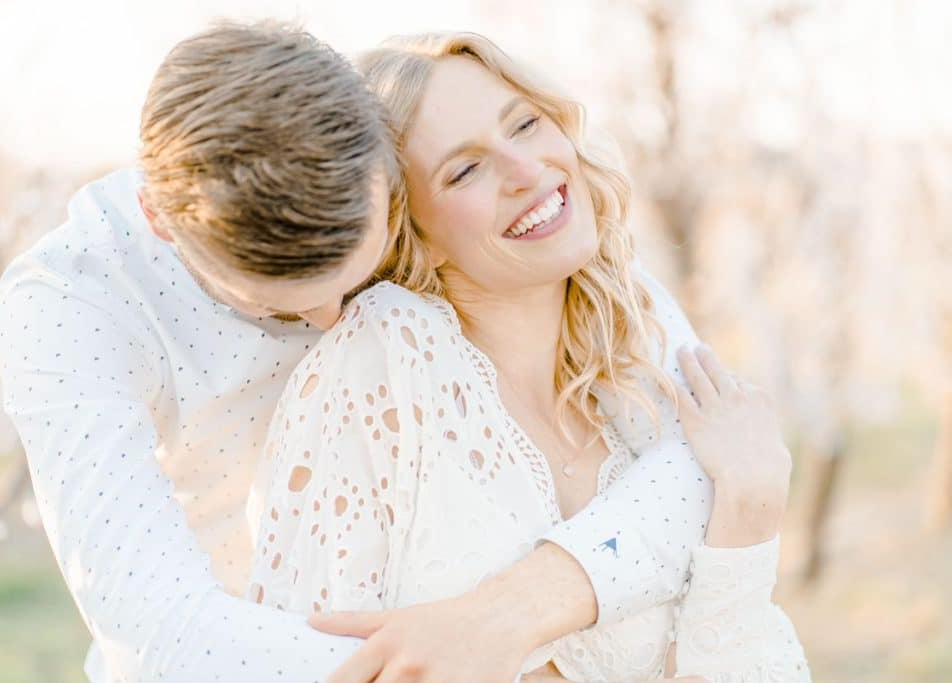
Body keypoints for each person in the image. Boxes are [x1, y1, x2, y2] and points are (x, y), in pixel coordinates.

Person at [0, 22, 729, 683]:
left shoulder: (384, 156)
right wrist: (475, 657)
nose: (332, 320)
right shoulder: (74, 305)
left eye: (369, 269)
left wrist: (519, 608)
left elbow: (710, 438)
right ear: (160, 220)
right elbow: (163, 633)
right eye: (285, 303)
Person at [246, 32, 811, 682]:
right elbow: (298, 655)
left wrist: (749, 512)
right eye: (465, 169)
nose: (526, 170)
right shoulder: (385, 361)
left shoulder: (637, 357)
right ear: (412, 233)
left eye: (525, 124)